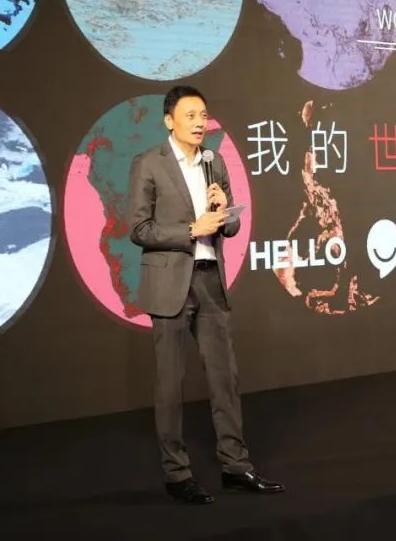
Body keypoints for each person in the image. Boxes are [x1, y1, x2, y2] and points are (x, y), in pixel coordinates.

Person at [128, 85, 286, 505]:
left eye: (203, 115)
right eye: (190, 115)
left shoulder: (214, 163)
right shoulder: (149, 163)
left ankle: (236, 466)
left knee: (225, 379)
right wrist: (190, 230)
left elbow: (230, 227)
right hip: (170, 285)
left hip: (210, 281)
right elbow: (139, 229)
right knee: (170, 384)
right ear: (170, 121)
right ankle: (177, 474)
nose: (200, 123)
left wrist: (223, 207)